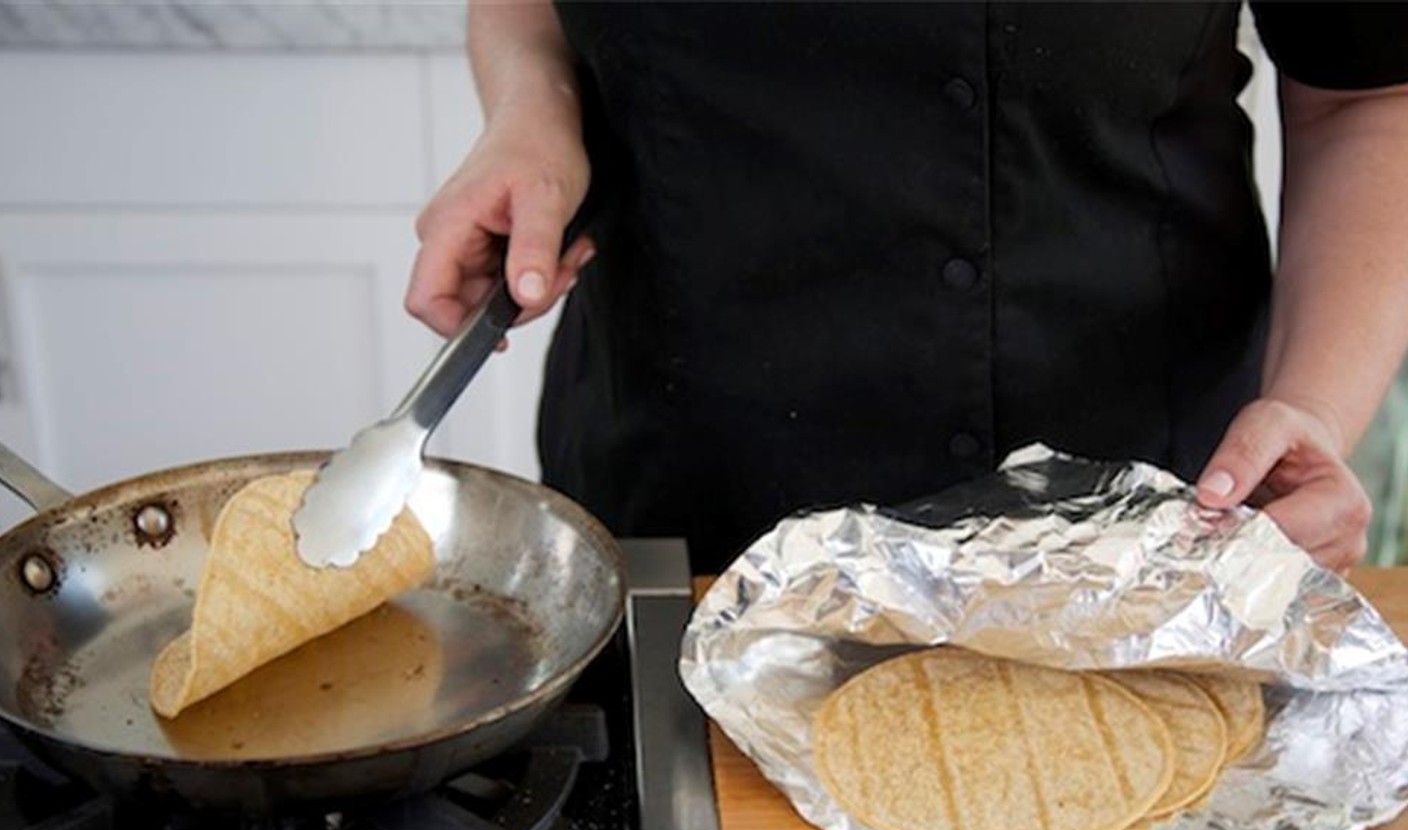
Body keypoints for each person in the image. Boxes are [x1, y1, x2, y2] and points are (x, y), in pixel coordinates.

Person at [405, 1, 1408, 575]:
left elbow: (1367, 98)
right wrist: (534, 107)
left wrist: (1313, 402)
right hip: (689, 511)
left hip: (1140, 530)